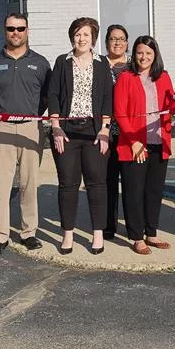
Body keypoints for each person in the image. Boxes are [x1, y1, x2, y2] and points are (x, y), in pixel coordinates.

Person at [0, 13, 52, 258]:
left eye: (20, 28)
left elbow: (46, 97)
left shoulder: (41, 63)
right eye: (11, 28)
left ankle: (28, 232)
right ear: (5, 31)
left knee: (29, 183)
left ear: (27, 31)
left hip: (31, 126)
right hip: (0, 126)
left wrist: (30, 115)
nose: (16, 33)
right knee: (0, 184)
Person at [48, 18, 113, 255]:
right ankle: (68, 234)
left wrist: (105, 129)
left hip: (95, 133)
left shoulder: (102, 63)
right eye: (77, 34)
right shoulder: (62, 62)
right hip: (66, 133)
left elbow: (108, 97)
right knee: (68, 184)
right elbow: (53, 94)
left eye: (86, 34)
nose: (81, 39)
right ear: (71, 37)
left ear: (93, 37)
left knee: (96, 184)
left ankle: (97, 234)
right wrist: (56, 127)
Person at [114, 35, 175, 255]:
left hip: (158, 142)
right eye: (140, 52)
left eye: (148, 53)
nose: (144, 57)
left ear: (155, 55)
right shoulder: (126, 78)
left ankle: (151, 233)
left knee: (153, 191)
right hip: (134, 145)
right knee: (134, 191)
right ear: (135, 54)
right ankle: (135, 236)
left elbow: (171, 108)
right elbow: (120, 113)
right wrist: (133, 141)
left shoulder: (163, 77)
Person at [103, 24, 130, 240]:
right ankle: (108, 225)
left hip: (129, 132)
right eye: (113, 39)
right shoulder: (98, 65)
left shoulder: (134, 66)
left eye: (121, 39)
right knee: (107, 180)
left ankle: (133, 226)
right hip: (105, 133)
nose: (117, 42)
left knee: (131, 182)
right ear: (106, 43)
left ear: (127, 43)